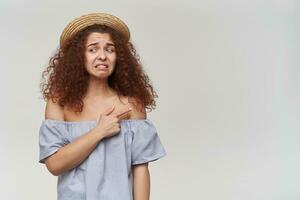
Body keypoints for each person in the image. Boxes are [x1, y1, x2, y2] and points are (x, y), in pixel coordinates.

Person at [38, 12, 167, 200]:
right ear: (79, 57)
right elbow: (54, 165)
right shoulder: (59, 103)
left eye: (110, 49)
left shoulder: (131, 105)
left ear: (119, 57)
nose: (102, 56)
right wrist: (99, 131)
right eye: (92, 49)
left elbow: (140, 169)